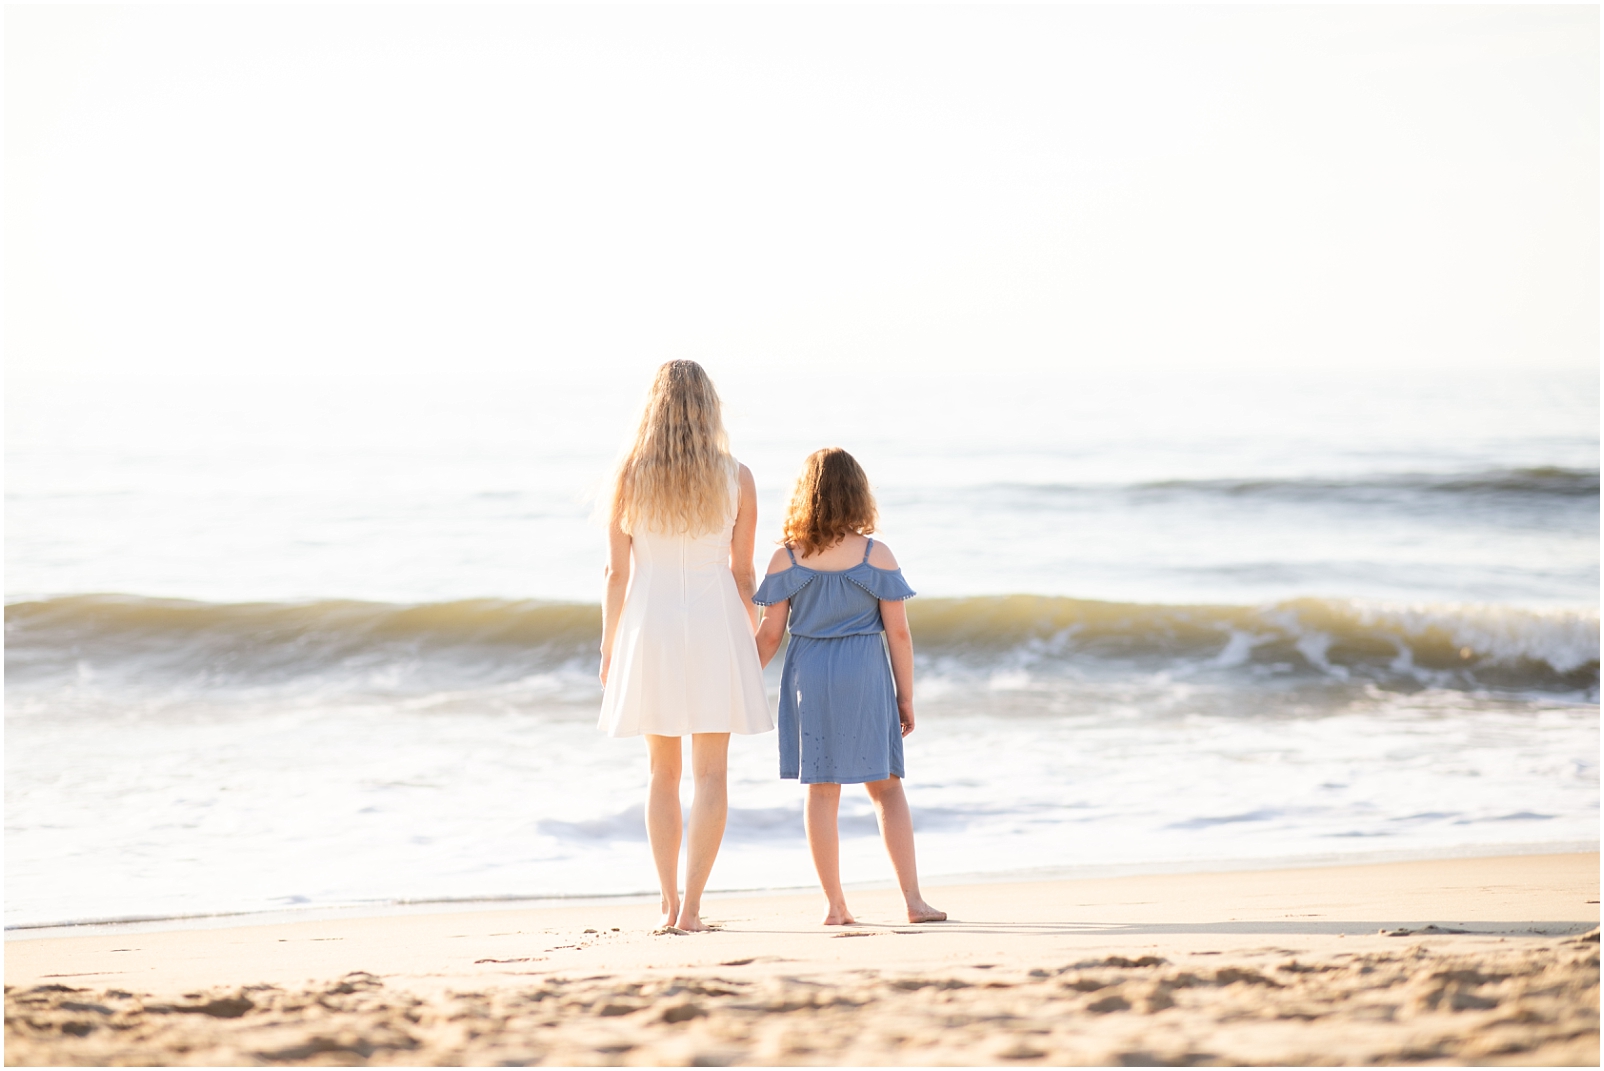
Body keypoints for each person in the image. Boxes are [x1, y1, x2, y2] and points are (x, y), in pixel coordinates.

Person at [598, 360, 772, 932]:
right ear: (709, 406)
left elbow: (616, 576)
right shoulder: (737, 476)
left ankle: (668, 902)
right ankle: (694, 908)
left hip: (650, 628)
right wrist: (755, 635)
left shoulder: (628, 475)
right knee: (713, 773)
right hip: (715, 623)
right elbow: (743, 574)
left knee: (661, 773)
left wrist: (608, 648)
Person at [752, 447, 945, 926]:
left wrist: (739, 681)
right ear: (859, 492)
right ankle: (913, 901)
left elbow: (770, 636)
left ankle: (835, 905)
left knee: (822, 791)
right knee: (887, 789)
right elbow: (898, 632)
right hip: (865, 671)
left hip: (809, 673)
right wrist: (906, 696)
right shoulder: (875, 554)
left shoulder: (785, 558)